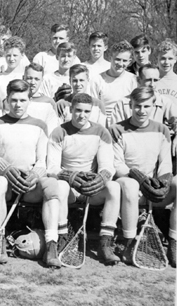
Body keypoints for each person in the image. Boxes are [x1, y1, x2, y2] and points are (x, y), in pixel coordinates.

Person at [0, 79, 61, 267]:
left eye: (22, 100)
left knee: (52, 185)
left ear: (29, 100)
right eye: (13, 100)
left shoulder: (39, 125)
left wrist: (34, 176)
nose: (18, 105)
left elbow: (42, 161)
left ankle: (51, 246)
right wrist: (5, 169)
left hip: (30, 185)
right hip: (7, 183)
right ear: (7, 100)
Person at [47, 93, 121, 265]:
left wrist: (100, 179)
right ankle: (63, 236)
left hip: (91, 187)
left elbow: (108, 166)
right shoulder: (59, 132)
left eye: (86, 111)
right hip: (70, 186)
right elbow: (52, 167)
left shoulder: (101, 132)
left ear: (91, 111)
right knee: (60, 186)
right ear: (71, 109)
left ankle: (105, 243)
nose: (82, 115)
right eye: (78, 110)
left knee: (113, 188)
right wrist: (70, 176)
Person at [110, 87, 176, 267]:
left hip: (153, 189)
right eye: (137, 106)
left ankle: (173, 241)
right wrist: (139, 179)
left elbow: (165, 163)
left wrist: (162, 182)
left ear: (154, 106)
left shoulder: (162, 129)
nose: (141, 110)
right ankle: (129, 242)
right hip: (129, 185)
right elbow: (118, 165)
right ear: (130, 105)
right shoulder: (117, 129)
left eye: (146, 106)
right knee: (130, 185)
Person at [89, 41, 138, 126]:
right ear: (110, 58)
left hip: (127, 128)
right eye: (117, 59)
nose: (120, 64)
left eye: (124, 61)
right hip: (104, 128)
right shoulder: (97, 80)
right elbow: (93, 110)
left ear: (130, 61)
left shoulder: (134, 80)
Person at [0, 36, 28, 103]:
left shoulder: (26, 78)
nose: (11, 59)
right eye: (8, 55)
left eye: (15, 55)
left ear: (22, 55)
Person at [23, 63, 60, 136]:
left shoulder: (49, 102)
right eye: (29, 78)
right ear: (23, 78)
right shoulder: (15, 100)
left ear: (42, 80)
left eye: (37, 79)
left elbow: (52, 129)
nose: (33, 82)